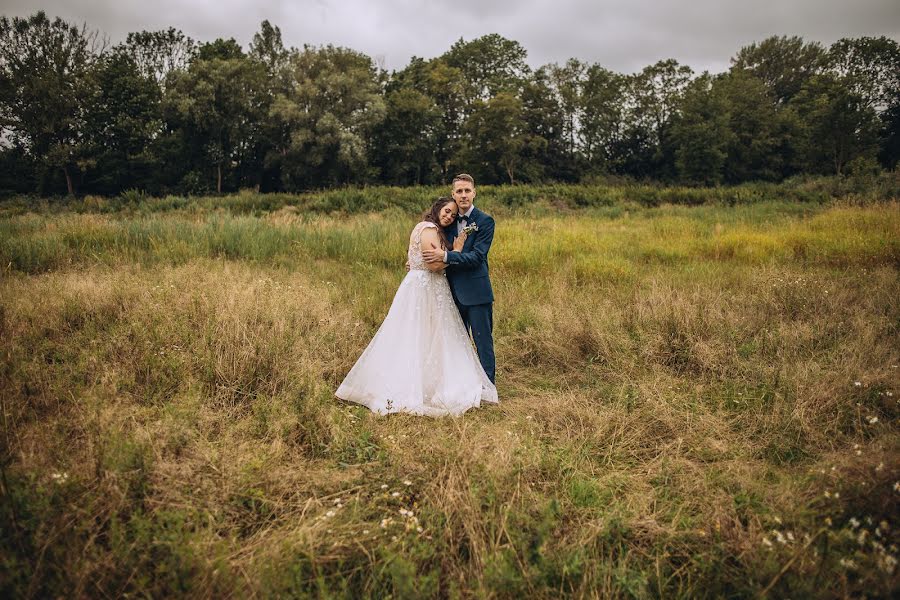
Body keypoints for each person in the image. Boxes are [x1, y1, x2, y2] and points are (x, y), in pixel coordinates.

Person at [335, 197, 498, 416]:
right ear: (437, 208)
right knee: (417, 335)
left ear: (474, 193)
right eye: (446, 211)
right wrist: (455, 252)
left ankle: (449, 379)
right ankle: (412, 385)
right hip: (424, 288)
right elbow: (432, 265)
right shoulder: (429, 228)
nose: (449, 216)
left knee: (430, 336)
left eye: (452, 213)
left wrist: (438, 256)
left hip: (433, 287)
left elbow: (441, 259)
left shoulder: (445, 227)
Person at [422, 174, 496, 384]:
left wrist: (446, 256)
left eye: (467, 191)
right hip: (451, 292)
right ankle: (462, 382)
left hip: (476, 291)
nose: (463, 195)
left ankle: (488, 385)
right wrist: (416, 260)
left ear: (474, 193)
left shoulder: (485, 221)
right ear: (453, 195)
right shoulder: (448, 222)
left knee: (483, 342)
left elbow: (477, 257)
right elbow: (430, 241)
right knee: (456, 341)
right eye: (459, 191)